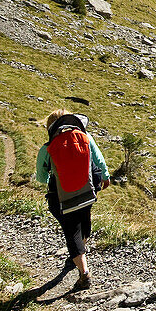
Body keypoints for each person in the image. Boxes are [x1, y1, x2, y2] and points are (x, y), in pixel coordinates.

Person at [36, 109, 110, 291]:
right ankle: (80, 252)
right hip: (87, 191)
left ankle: (84, 272)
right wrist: (105, 177)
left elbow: (40, 177)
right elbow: (99, 160)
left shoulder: (47, 148)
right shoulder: (85, 137)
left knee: (71, 232)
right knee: (84, 223)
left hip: (61, 197)